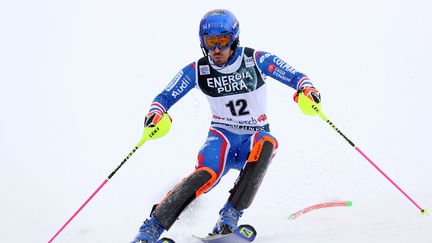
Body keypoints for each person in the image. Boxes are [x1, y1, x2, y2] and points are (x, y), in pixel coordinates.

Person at [132, 9, 321, 243]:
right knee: (206, 174)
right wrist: (156, 112)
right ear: (203, 43)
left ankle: (229, 218)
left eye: (222, 41)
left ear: (234, 39)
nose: (216, 50)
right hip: (222, 135)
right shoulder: (199, 69)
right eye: (210, 43)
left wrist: (307, 89)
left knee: (268, 144)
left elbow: (295, 76)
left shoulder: (254, 59)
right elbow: (165, 96)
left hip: (254, 135)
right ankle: (150, 230)